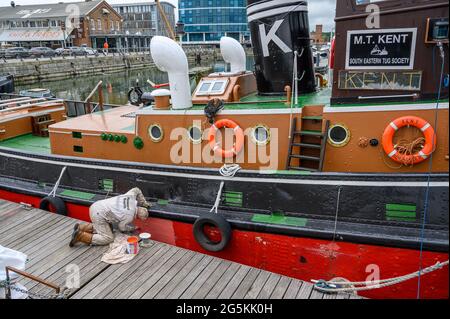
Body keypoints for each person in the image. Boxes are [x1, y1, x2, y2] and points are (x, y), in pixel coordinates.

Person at [69, 188, 150, 247]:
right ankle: (80, 236)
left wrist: (143, 202)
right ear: (138, 217)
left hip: (96, 205)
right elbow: (121, 227)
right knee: (108, 238)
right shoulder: (129, 216)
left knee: (109, 228)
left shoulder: (131, 197)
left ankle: (81, 228)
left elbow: (137, 189)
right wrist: (132, 228)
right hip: (99, 214)